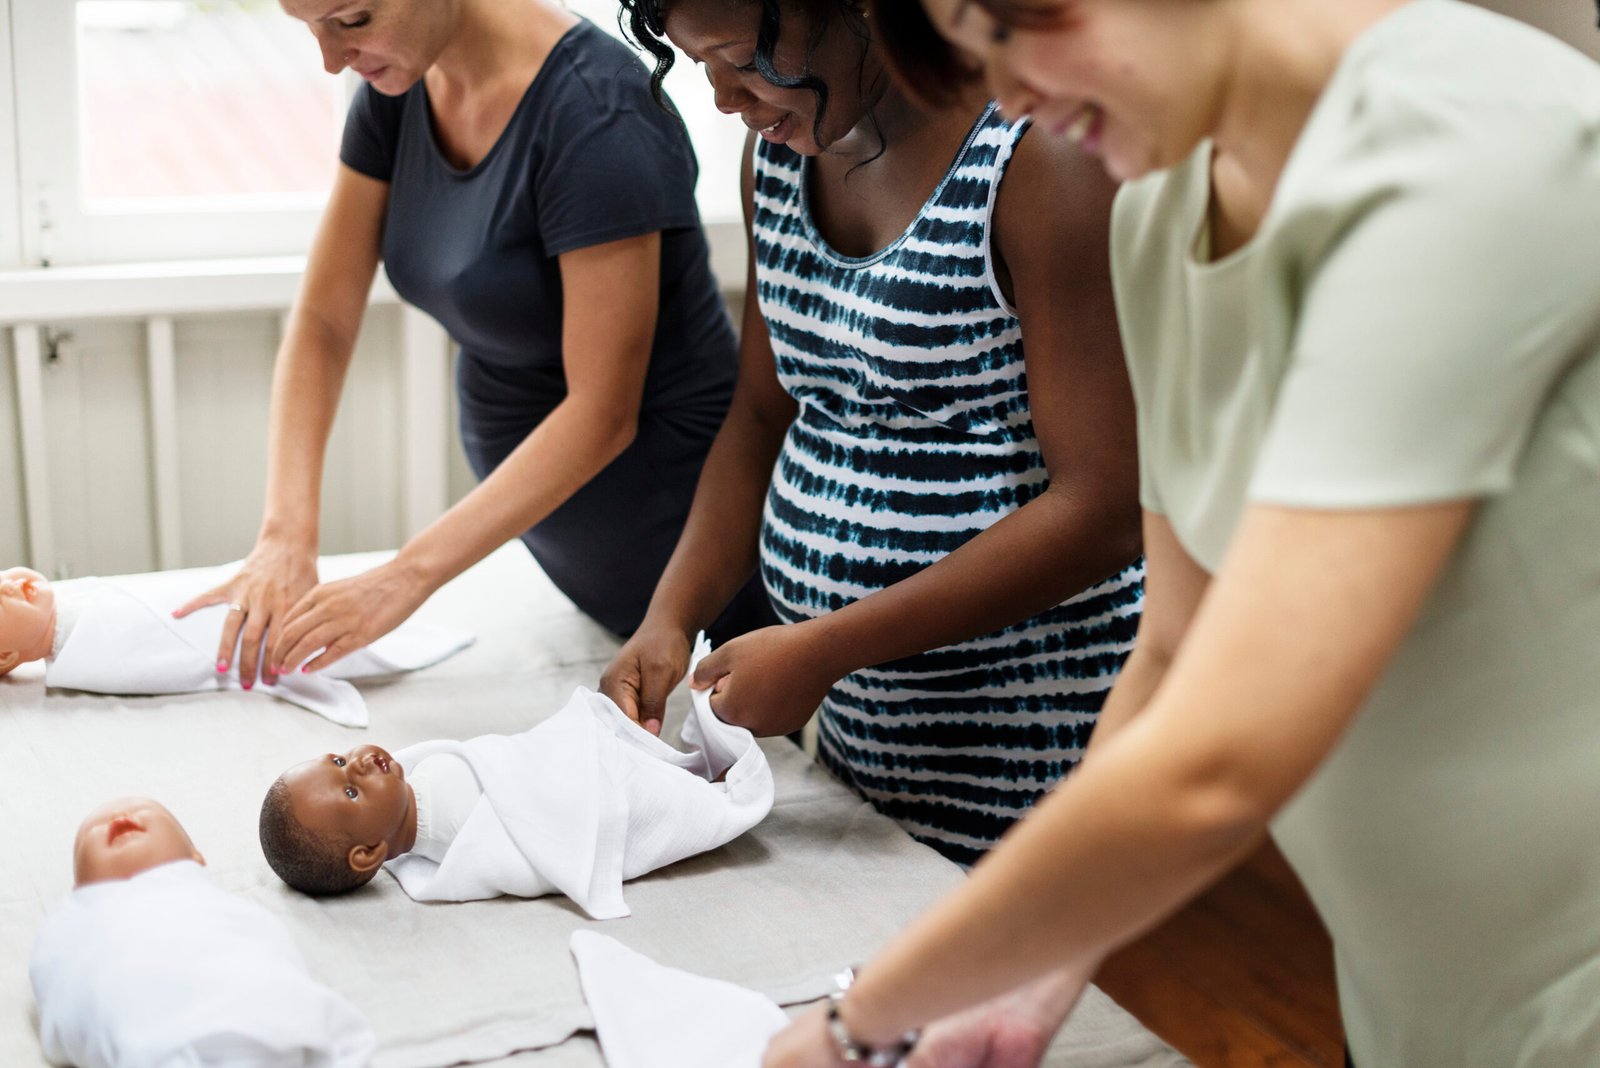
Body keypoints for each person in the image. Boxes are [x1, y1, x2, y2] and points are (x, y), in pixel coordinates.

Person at [760, 0, 1600, 1066]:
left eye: (1008, 31)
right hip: (1418, 992)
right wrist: (1036, 972)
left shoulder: (1461, 143)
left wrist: (851, 1023)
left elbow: (1221, 757)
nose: (1008, 97)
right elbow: (1168, 652)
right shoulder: (1162, 206)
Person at [600, 0, 1144, 868]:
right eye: (697, 64)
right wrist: (670, 618)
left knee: (1026, 984)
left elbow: (1105, 508)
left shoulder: (1039, 156)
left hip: (1035, 735)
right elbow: (760, 415)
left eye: (740, 57)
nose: (723, 99)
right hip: (868, 731)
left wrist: (829, 644)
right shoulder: (778, 156)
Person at [174, 0, 773, 688]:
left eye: (352, 20)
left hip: (680, 549)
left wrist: (404, 576)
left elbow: (602, 412)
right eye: (310, 28)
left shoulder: (598, 114)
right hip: (571, 559)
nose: (330, 59)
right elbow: (324, 323)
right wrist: (284, 536)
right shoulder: (399, 84)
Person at [260, 663, 771, 916]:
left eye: (338, 759)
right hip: (586, 795)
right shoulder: (456, 839)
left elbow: (509, 754)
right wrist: (582, 771)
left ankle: (687, 770)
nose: (360, 763)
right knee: (656, 799)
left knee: (635, 755)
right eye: (352, 792)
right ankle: (711, 792)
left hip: (562, 760)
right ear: (369, 851)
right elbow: (534, 827)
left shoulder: (419, 775)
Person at [30, 797, 375, 1068]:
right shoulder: (77, 921)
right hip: (159, 1041)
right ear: (79, 887)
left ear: (195, 857)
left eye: (146, 810)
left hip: (268, 1022)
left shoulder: (218, 906)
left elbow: (265, 947)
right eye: (90, 830)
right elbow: (59, 979)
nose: (118, 816)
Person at [0, 561, 471, 726]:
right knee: (283, 630)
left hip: (232, 588)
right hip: (236, 628)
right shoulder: (91, 655)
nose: (7, 584)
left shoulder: (80, 597)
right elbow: (182, 655)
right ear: (7, 657)